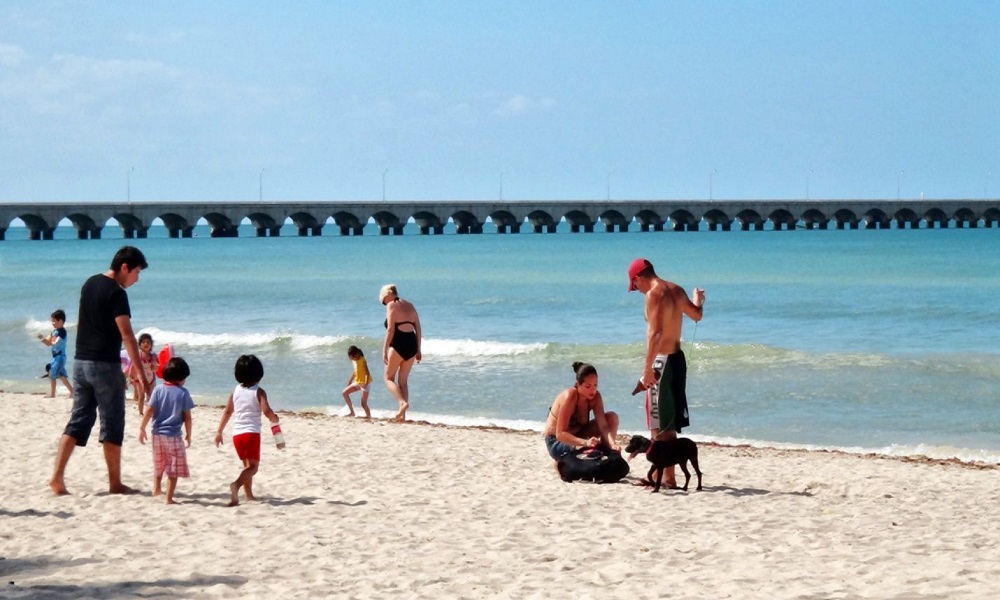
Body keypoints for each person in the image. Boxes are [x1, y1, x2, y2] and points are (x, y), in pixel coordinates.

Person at [49, 245, 149, 496]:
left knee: (78, 420)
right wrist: (139, 371)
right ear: (124, 267)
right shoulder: (117, 293)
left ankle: (57, 478)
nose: (137, 279)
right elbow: (127, 334)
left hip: (81, 362)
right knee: (112, 422)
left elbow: (84, 322)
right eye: (136, 272)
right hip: (105, 365)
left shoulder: (90, 283)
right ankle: (115, 483)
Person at [627, 257, 704, 488]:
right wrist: (698, 300)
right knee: (669, 417)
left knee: (658, 419)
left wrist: (647, 369)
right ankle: (667, 475)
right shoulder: (676, 289)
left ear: (639, 277)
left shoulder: (654, 294)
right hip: (677, 360)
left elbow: (656, 334)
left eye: (634, 285)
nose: (637, 291)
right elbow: (697, 315)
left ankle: (668, 478)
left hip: (661, 363)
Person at [214, 354, 280, 507]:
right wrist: (274, 418)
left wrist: (219, 432)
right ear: (259, 373)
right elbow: (266, 410)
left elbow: (227, 412)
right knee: (253, 468)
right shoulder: (259, 391)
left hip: (237, 435)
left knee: (247, 466)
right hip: (251, 434)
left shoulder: (235, 390)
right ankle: (236, 486)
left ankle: (248, 495)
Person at [138, 357, 194, 504]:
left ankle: (156, 489)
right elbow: (187, 417)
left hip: (156, 434)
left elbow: (149, 410)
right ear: (181, 378)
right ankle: (169, 498)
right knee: (173, 466)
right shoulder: (183, 393)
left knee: (159, 462)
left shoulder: (158, 389)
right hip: (173, 435)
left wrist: (142, 428)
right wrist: (188, 434)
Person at [542, 362, 620, 463]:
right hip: (557, 441)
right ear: (578, 384)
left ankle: (607, 453)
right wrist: (586, 442)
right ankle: (559, 464)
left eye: (595, 385)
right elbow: (560, 434)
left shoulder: (595, 397)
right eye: (588, 386)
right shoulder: (569, 397)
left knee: (612, 418)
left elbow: (603, 426)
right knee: (585, 449)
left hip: (578, 436)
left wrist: (612, 444)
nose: (593, 390)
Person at [379, 284, 422, 422]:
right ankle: (402, 415)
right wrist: (419, 349)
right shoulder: (410, 305)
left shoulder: (391, 305)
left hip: (398, 344)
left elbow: (391, 329)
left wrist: (384, 349)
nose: (384, 303)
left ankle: (402, 403)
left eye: (383, 300)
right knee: (403, 382)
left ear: (387, 294)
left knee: (388, 378)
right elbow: (418, 329)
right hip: (412, 345)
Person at [38, 308, 73, 398]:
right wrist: (42, 338)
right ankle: (72, 391)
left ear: (60, 321)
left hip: (60, 357)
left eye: (54, 321)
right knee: (61, 375)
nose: (52, 323)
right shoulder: (54, 332)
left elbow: (54, 343)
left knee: (52, 374)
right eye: (52, 321)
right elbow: (48, 343)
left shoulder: (62, 332)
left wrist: (48, 341)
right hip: (55, 357)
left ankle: (52, 394)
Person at [130, 332, 158, 416]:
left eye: (148, 342)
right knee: (141, 396)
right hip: (140, 378)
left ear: (151, 345)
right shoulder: (138, 354)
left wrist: (154, 365)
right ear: (140, 344)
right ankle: (141, 412)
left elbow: (155, 369)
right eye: (143, 342)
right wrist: (131, 376)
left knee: (151, 396)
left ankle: (150, 412)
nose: (146, 344)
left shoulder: (153, 356)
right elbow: (133, 365)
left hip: (151, 378)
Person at [342, 345, 372, 418]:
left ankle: (369, 416)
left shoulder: (362, 360)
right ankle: (352, 412)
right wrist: (350, 380)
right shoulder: (354, 361)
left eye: (351, 357)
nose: (351, 359)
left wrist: (365, 383)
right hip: (357, 382)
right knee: (345, 393)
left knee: (363, 403)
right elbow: (355, 371)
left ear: (356, 354)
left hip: (365, 383)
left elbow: (367, 373)